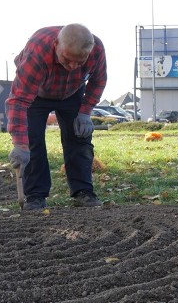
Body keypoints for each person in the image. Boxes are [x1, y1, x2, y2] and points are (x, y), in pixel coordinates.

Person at [6, 24, 107, 210]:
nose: (73, 66)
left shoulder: (96, 49)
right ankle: (35, 196)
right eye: (68, 60)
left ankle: (83, 191)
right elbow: (18, 101)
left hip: (72, 92)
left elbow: (98, 80)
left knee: (79, 138)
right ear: (56, 45)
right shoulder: (36, 53)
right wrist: (20, 144)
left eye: (80, 61)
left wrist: (85, 112)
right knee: (33, 140)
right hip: (37, 94)